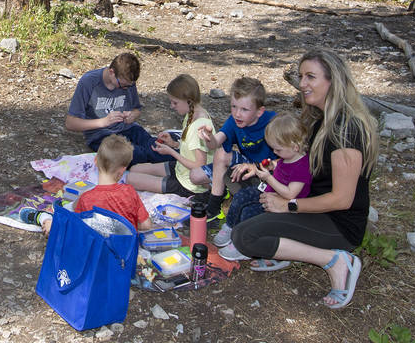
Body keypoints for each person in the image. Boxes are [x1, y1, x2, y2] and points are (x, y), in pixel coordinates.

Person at [231, 49, 379, 310]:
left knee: (245, 237)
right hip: (308, 203)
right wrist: (261, 171)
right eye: (301, 76)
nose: (302, 84)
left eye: (311, 77)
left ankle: (335, 261)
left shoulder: (346, 130)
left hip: (338, 223)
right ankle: (286, 250)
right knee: (251, 208)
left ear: (333, 81)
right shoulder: (317, 119)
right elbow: (295, 163)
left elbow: (342, 200)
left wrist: (289, 206)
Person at [214, 113, 312, 261]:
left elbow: (291, 194)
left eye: (278, 150)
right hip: (269, 193)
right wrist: (267, 165)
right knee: (242, 195)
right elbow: (275, 163)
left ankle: (242, 246)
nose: (274, 152)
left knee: (249, 212)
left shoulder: (302, 167)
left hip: (283, 206)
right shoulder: (288, 156)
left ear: (295, 147)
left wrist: (268, 178)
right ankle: (230, 226)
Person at [22, 134, 154, 233]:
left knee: (60, 220)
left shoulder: (86, 198)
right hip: (121, 251)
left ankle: (43, 218)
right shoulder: (130, 192)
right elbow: (146, 225)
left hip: (92, 248)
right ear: (123, 170)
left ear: (95, 161)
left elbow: (75, 226)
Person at [65, 52, 171, 165]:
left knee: (158, 147)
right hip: (101, 135)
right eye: (122, 85)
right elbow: (70, 123)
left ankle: (169, 159)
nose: (125, 88)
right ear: (111, 72)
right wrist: (103, 122)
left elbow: (137, 109)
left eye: (129, 86)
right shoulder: (89, 81)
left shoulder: (128, 82)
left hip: (129, 128)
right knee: (134, 155)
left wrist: (132, 115)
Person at [193, 77, 276, 220]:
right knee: (195, 175)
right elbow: (215, 143)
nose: (237, 113)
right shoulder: (234, 121)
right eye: (234, 107)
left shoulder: (273, 122)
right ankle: (220, 195)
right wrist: (208, 137)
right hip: (246, 165)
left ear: (259, 112)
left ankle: (215, 204)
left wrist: (255, 167)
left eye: (244, 109)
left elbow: (287, 159)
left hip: (271, 170)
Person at [124, 74, 214, 199]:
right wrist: (173, 144)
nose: (172, 106)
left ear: (188, 100)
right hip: (181, 169)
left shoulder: (199, 126)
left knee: (131, 178)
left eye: (175, 102)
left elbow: (199, 167)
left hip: (189, 185)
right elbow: (191, 149)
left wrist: (171, 152)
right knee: (134, 169)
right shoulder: (192, 114)